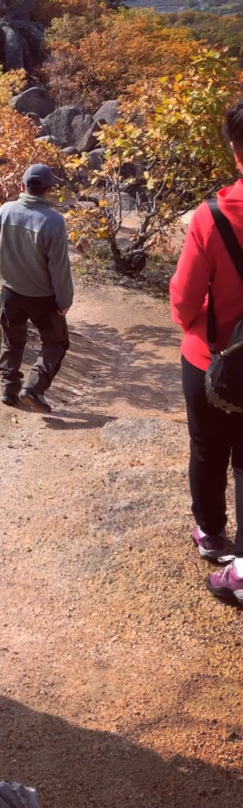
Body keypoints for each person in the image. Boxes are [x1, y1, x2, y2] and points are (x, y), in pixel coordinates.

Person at [170, 101, 243, 603]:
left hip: (212, 360)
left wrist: (203, 325)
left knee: (208, 449)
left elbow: (182, 300)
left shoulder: (212, 216)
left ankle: (213, 535)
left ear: (237, 151)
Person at [0, 162, 73, 413]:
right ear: (48, 190)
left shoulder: (4, 211)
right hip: (42, 298)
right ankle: (33, 388)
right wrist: (64, 301)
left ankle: (8, 391)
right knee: (56, 343)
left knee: (12, 342)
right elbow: (59, 268)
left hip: (10, 293)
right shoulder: (53, 222)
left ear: (21, 186)